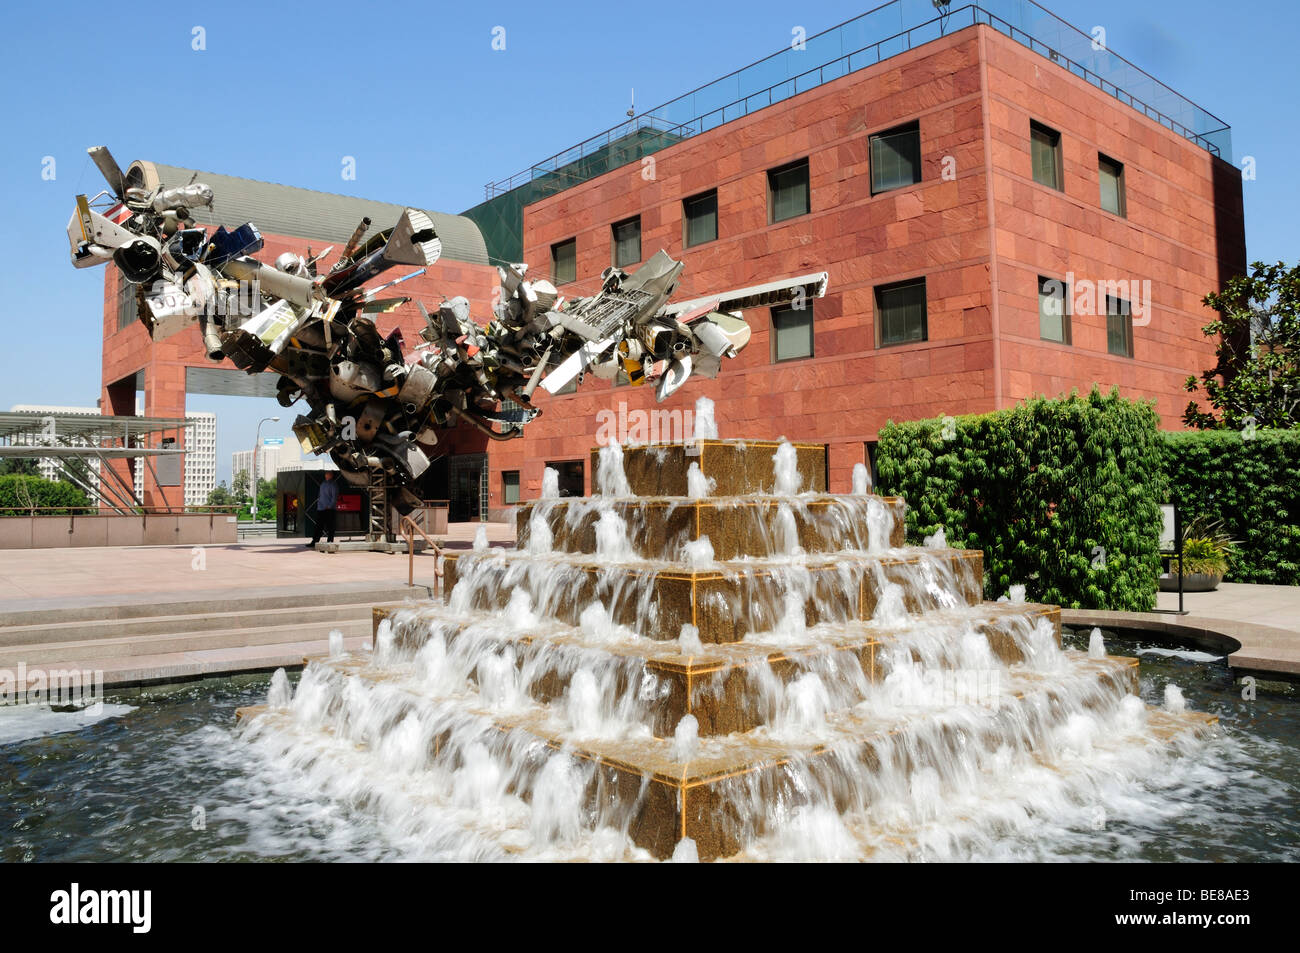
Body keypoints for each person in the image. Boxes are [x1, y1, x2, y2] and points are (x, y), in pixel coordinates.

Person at [309, 471, 339, 548]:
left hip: (329, 509)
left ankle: (330, 541)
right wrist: (319, 504)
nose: (326, 475)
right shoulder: (323, 484)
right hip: (321, 508)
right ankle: (314, 541)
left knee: (330, 526)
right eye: (326, 474)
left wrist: (330, 506)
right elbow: (319, 495)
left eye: (327, 473)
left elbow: (334, 497)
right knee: (318, 526)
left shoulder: (333, 485)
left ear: (331, 475)